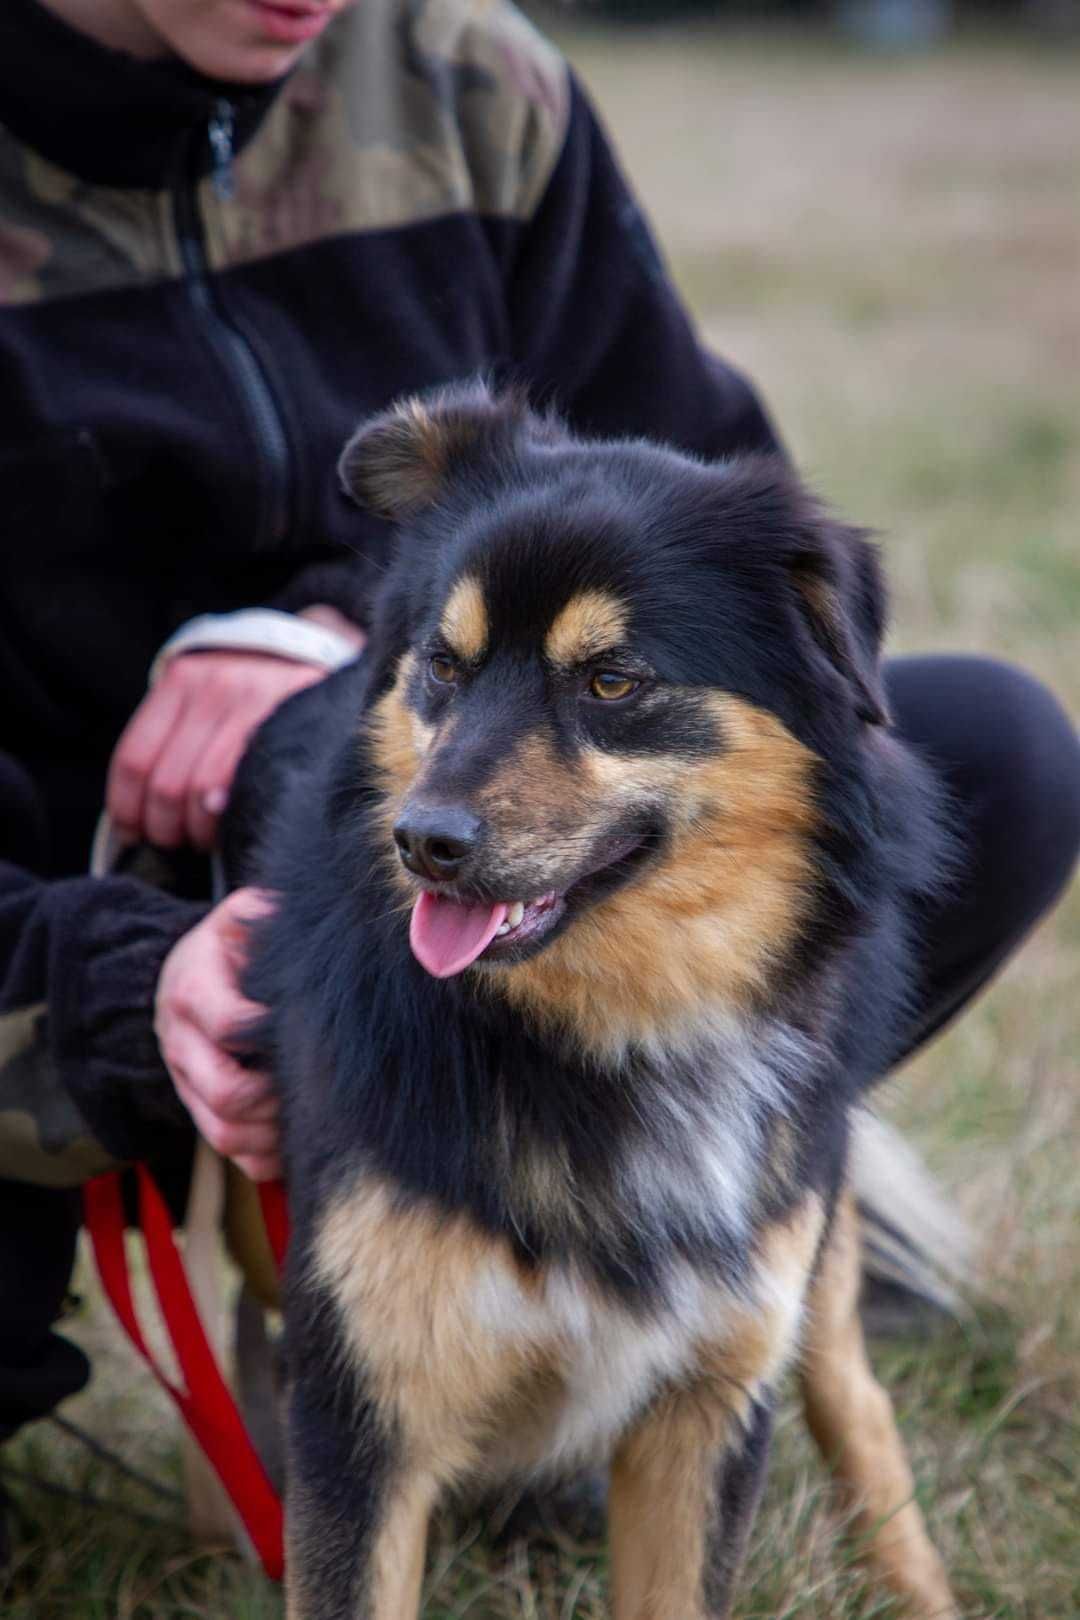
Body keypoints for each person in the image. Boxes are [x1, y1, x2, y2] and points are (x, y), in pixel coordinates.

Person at [0, 0, 1077, 1551]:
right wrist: (116, 987)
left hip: (385, 761)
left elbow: (694, 498)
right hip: (50, 882)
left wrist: (320, 633)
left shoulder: (468, 82)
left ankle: (644, 1221)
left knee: (988, 757)